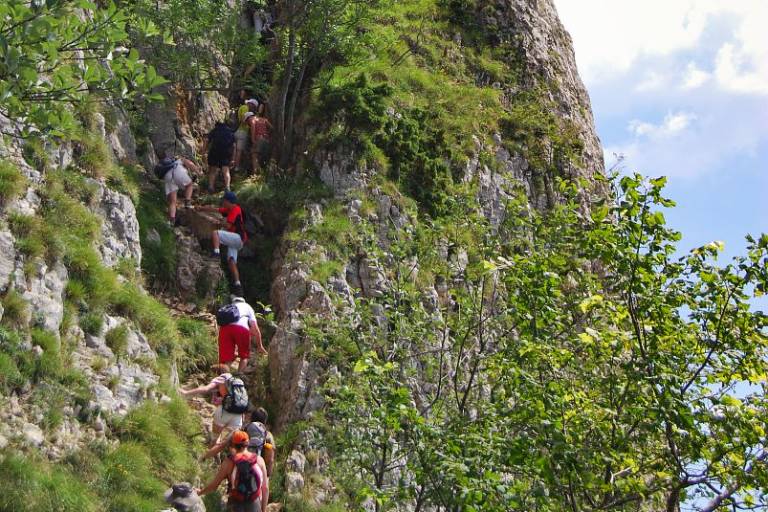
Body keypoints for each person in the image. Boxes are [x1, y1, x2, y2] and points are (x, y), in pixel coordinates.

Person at [201, 408, 275, 507]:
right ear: (265, 422)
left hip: (236, 473)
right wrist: (266, 475)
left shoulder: (240, 431)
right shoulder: (268, 436)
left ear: (251, 418)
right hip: (257, 478)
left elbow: (220, 446)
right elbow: (270, 460)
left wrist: (204, 456)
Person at [198, 430, 268, 512]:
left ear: (232, 445)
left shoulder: (228, 463)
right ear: (247, 444)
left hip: (235, 503)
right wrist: (263, 509)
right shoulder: (259, 460)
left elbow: (214, 486)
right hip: (254, 503)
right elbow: (265, 488)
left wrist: (200, 492)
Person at [179, 364, 244, 445]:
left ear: (217, 372)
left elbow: (205, 389)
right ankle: (226, 455)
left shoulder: (221, 378)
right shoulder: (234, 380)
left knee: (215, 439)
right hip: (238, 412)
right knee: (233, 442)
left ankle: (211, 453)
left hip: (225, 411)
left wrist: (186, 393)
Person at [197, 191, 248, 291]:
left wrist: (218, 222)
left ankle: (216, 254)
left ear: (229, 201)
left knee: (216, 233)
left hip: (238, 238)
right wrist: (201, 208)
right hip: (238, 241)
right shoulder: (229, 209)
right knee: (231, 260)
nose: (223, 203)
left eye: (224, 201)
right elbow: (216, 209)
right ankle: (238, 285)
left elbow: (228, 225)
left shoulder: (236, 209)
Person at [215, 296, 266, 372]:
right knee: (244, 356)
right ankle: (239, 375)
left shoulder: (229, 307)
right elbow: (255, 328)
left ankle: (224, 378)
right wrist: (260, 346)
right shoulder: (247, 307)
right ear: (244, 302)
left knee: (226, 358)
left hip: (224, 329)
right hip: (241, 329)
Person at [157, 155, 199, 226]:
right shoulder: (181, 160)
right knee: (189, 185)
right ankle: (187, 203)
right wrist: (198, 171)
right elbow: (191, 165)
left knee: (172, 201)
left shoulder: (172, 164)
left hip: (167, 177)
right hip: (177, 172)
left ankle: (172, 220)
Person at [204, 121, 236, 192]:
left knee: (213, 170)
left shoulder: (215, 130)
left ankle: (211, 187)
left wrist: (204, 150)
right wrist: (233, 158)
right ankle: (227, 187)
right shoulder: (230, 132)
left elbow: (206, 140)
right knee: (226, 171)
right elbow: (234, 146)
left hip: (214, 151)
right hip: (226, 152)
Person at [234, 94, 258, 172]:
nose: (253, 108)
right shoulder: (245, 108)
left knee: (236, 150)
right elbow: (243, 120)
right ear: (251, 104)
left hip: (239, 131)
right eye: (254, 106)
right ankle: (236, 167)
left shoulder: (242, 107)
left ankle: (234, 164)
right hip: (242, 132)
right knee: (239, 150)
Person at [247, 103, 272, 174]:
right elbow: (272, 128)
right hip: (266, 139)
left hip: (258, 138)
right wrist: (267, 133)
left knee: (254, 155)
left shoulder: (253, 119)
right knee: (262, 157)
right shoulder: (264, 119)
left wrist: (253, 140)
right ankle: (261, 172)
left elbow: (253, 129)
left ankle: (255, 173)